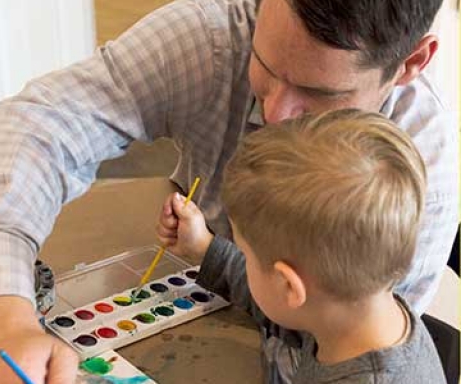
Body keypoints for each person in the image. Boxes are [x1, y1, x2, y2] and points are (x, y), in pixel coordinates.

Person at [0, 0, 457, 382]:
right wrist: (5, 318)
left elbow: (313, 324)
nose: (275, 113)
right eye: (268, 66)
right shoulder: (211, 37)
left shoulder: (426, 180)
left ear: (413, 62)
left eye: (321, 93)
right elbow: (28, 130)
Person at [157, 109, 447, 383]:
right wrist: (206, 249)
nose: (245, 261)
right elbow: (281, 305)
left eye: (246, 255)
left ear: (288, 285)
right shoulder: (358, 310)